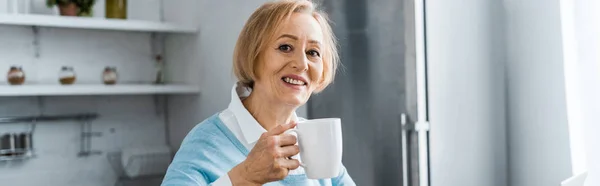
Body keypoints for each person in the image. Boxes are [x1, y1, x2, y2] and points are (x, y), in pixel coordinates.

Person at [161, 0, 355, 185]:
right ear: (253, 55)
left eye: (313, 52)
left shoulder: (318, 143)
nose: (302, 64)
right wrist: (245, 177)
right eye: (285, 47)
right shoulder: (206, 142)